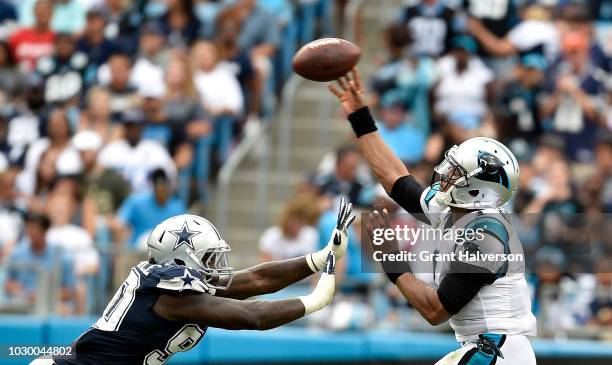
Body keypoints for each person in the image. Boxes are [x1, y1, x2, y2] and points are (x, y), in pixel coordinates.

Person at [328, 69, 536, 364]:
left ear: (477, 189)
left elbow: (435, 310)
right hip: (486, 347)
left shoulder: (487, 234)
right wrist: (360, 117)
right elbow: (395, 178)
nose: (446, 175)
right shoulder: (458, 211)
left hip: (497, 349)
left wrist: (391, 259)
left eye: (457, 172)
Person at [46, 201, 355, 364]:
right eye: (208, 258)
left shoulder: (174, 285)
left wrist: (318, 258)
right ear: (180, 260)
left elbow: (257, 279)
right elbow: (253, 316)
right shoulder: (169, 294)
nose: (215, 266)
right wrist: (314, 301)